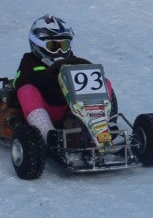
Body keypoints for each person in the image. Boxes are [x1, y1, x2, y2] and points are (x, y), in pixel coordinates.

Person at [13, 15, 105, 143]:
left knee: (103, 82)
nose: (60, 51)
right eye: (53, 46)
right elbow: (19, 81)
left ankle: (99, 127)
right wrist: (44, 78)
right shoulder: (29, 62)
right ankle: (46, 133)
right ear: (37, 45)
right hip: (44, 108)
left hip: (71, 111)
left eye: (64, 45)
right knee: (26, 89)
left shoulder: (73, 62)